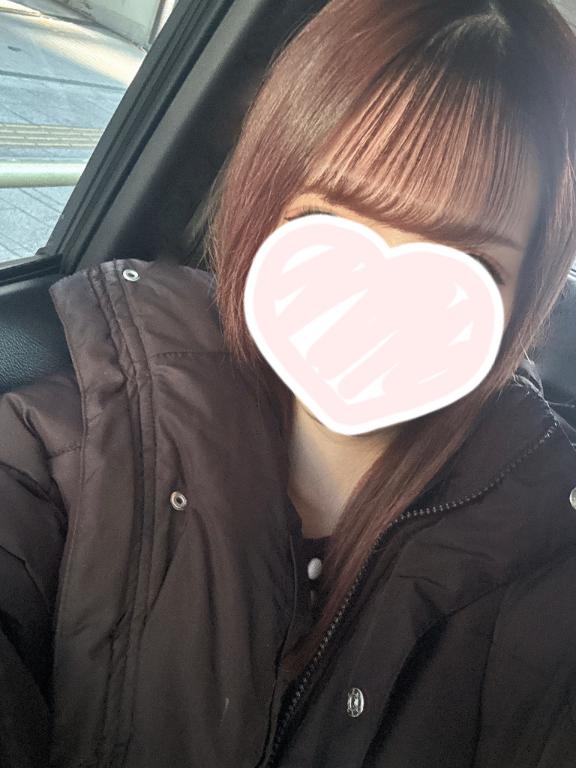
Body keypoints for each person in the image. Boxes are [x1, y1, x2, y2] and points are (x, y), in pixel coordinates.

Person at [1, 0, 576, 765]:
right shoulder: (71, 445)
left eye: (467, 266)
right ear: (260, 210)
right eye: (326, 224)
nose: (377, 313)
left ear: (525, 296)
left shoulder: (547, 547)